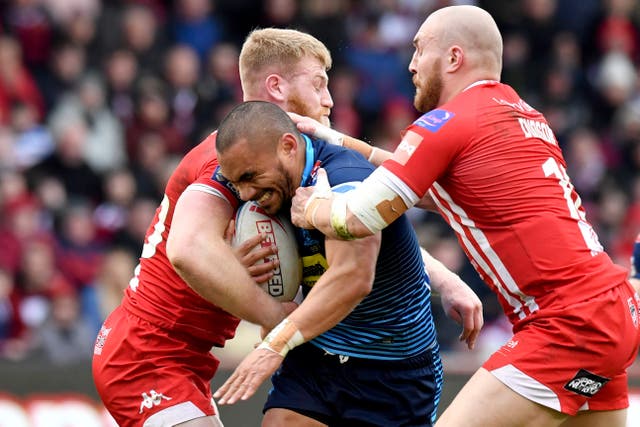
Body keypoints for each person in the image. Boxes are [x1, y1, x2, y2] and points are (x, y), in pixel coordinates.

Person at [92, 28, 481, 427]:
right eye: (318, 85)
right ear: (276, 87)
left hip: (190, 356)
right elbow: (188, 248)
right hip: (148, 354)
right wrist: (279, 319)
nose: (329, 99)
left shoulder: (300, 163)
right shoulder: (231, 157)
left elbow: (369, 222)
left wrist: (443, 278)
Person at [289, 5, 640, 427]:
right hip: (614, 315)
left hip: (567, 325)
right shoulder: (521, 112)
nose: (412, 64)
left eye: (420, 50)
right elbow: (436, 190)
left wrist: (310, 208)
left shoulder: (446, 123)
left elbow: (358, 217)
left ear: (454, 58)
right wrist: (338, 139)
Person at [211, 100, 466, 426]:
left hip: (389, 368)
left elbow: (353, 279)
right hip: (318, 353)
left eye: (250, 177)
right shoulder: (270, 181)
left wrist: (274, 345)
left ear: (288, 147)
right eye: (236, 183)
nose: (245, 193)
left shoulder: (345, 179)